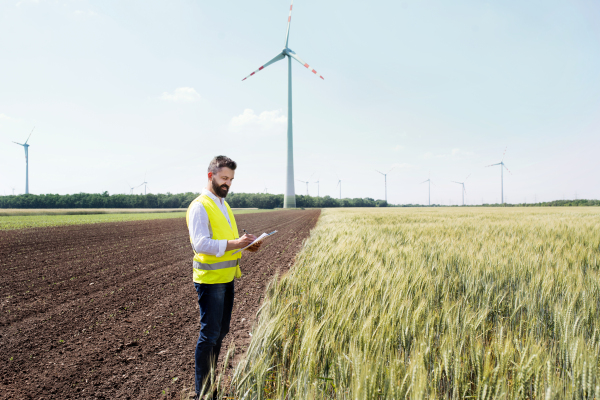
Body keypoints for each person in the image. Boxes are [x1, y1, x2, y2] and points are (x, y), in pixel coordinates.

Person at [186, 155, 261, 400]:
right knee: (209, 335)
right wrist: (235, 242)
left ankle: (210, 382)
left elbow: (227, 241)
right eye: (224, 178)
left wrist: (245, 246)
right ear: (211, 176)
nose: (228, 183)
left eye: (231, 179)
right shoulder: (200, 205)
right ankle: (203, 392)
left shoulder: (223, 204)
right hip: (210, 280)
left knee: (221, 331)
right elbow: (201, 244)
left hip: (226, 277)